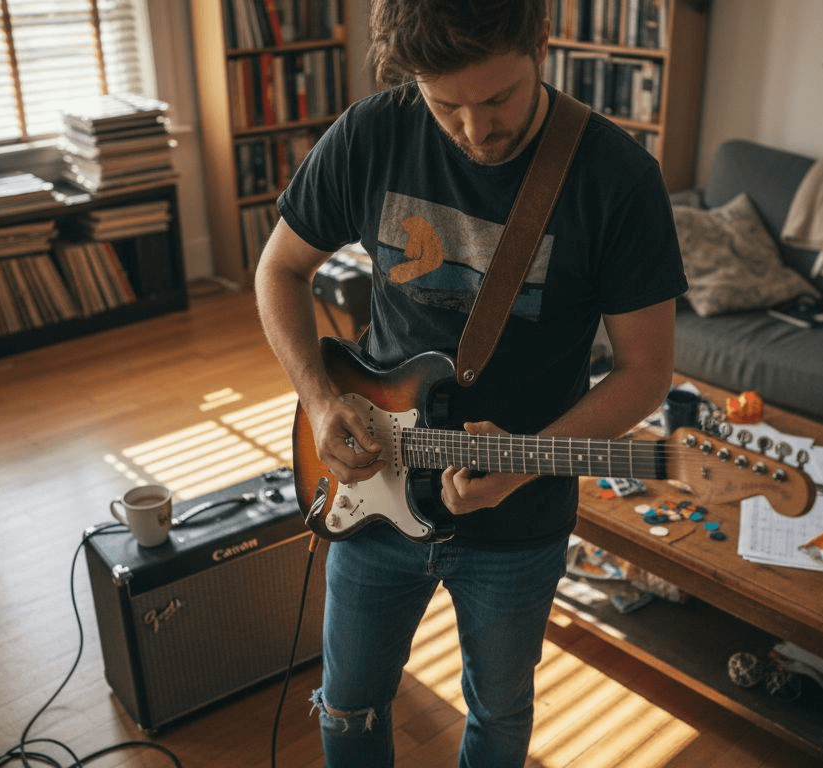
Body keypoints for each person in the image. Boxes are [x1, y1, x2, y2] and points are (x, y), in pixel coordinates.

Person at [254, 0, 687, 765]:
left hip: (519, 525)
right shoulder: (371, 133)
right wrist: (322, 400)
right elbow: (280, 268)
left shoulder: (617, 178)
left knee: (500, 717)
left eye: (499, 99)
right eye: (445, 103)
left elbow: (646, 372)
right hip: (370, 491)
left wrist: (522, 464)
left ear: (541, 45)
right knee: (348, 705)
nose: (476, 131)